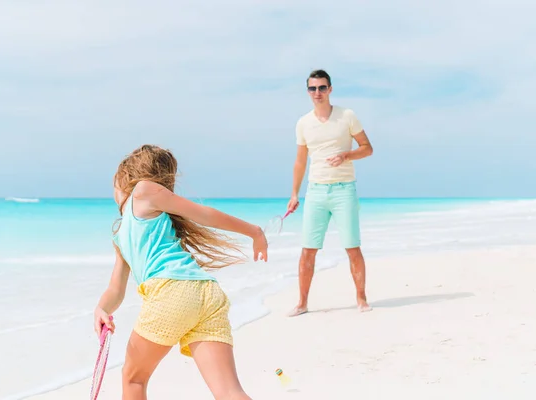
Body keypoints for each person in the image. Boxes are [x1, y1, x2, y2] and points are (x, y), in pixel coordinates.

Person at [93, 144, 268, 400]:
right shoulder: (122, 236)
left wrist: (254, 231)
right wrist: (102, 309)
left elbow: (204, 215)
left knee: (134, 379)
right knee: (229, 392)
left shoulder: (142, 192)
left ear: (126, 179)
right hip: (206, 295)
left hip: (171, 294)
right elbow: (115, 289)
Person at [287, 69, 373, 317]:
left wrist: (347, 154)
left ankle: (361, 298)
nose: (318, 93)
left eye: (322, 88)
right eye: (313, 89)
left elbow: (367, 148)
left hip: (344, 190)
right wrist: (294, 194)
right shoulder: (303, 123)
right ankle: (302, 303)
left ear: (330, 89)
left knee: (352, 246)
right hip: (315, 192)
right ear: (308, 92)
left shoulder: (347, 116)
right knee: (308, 249)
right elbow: (300, 162)